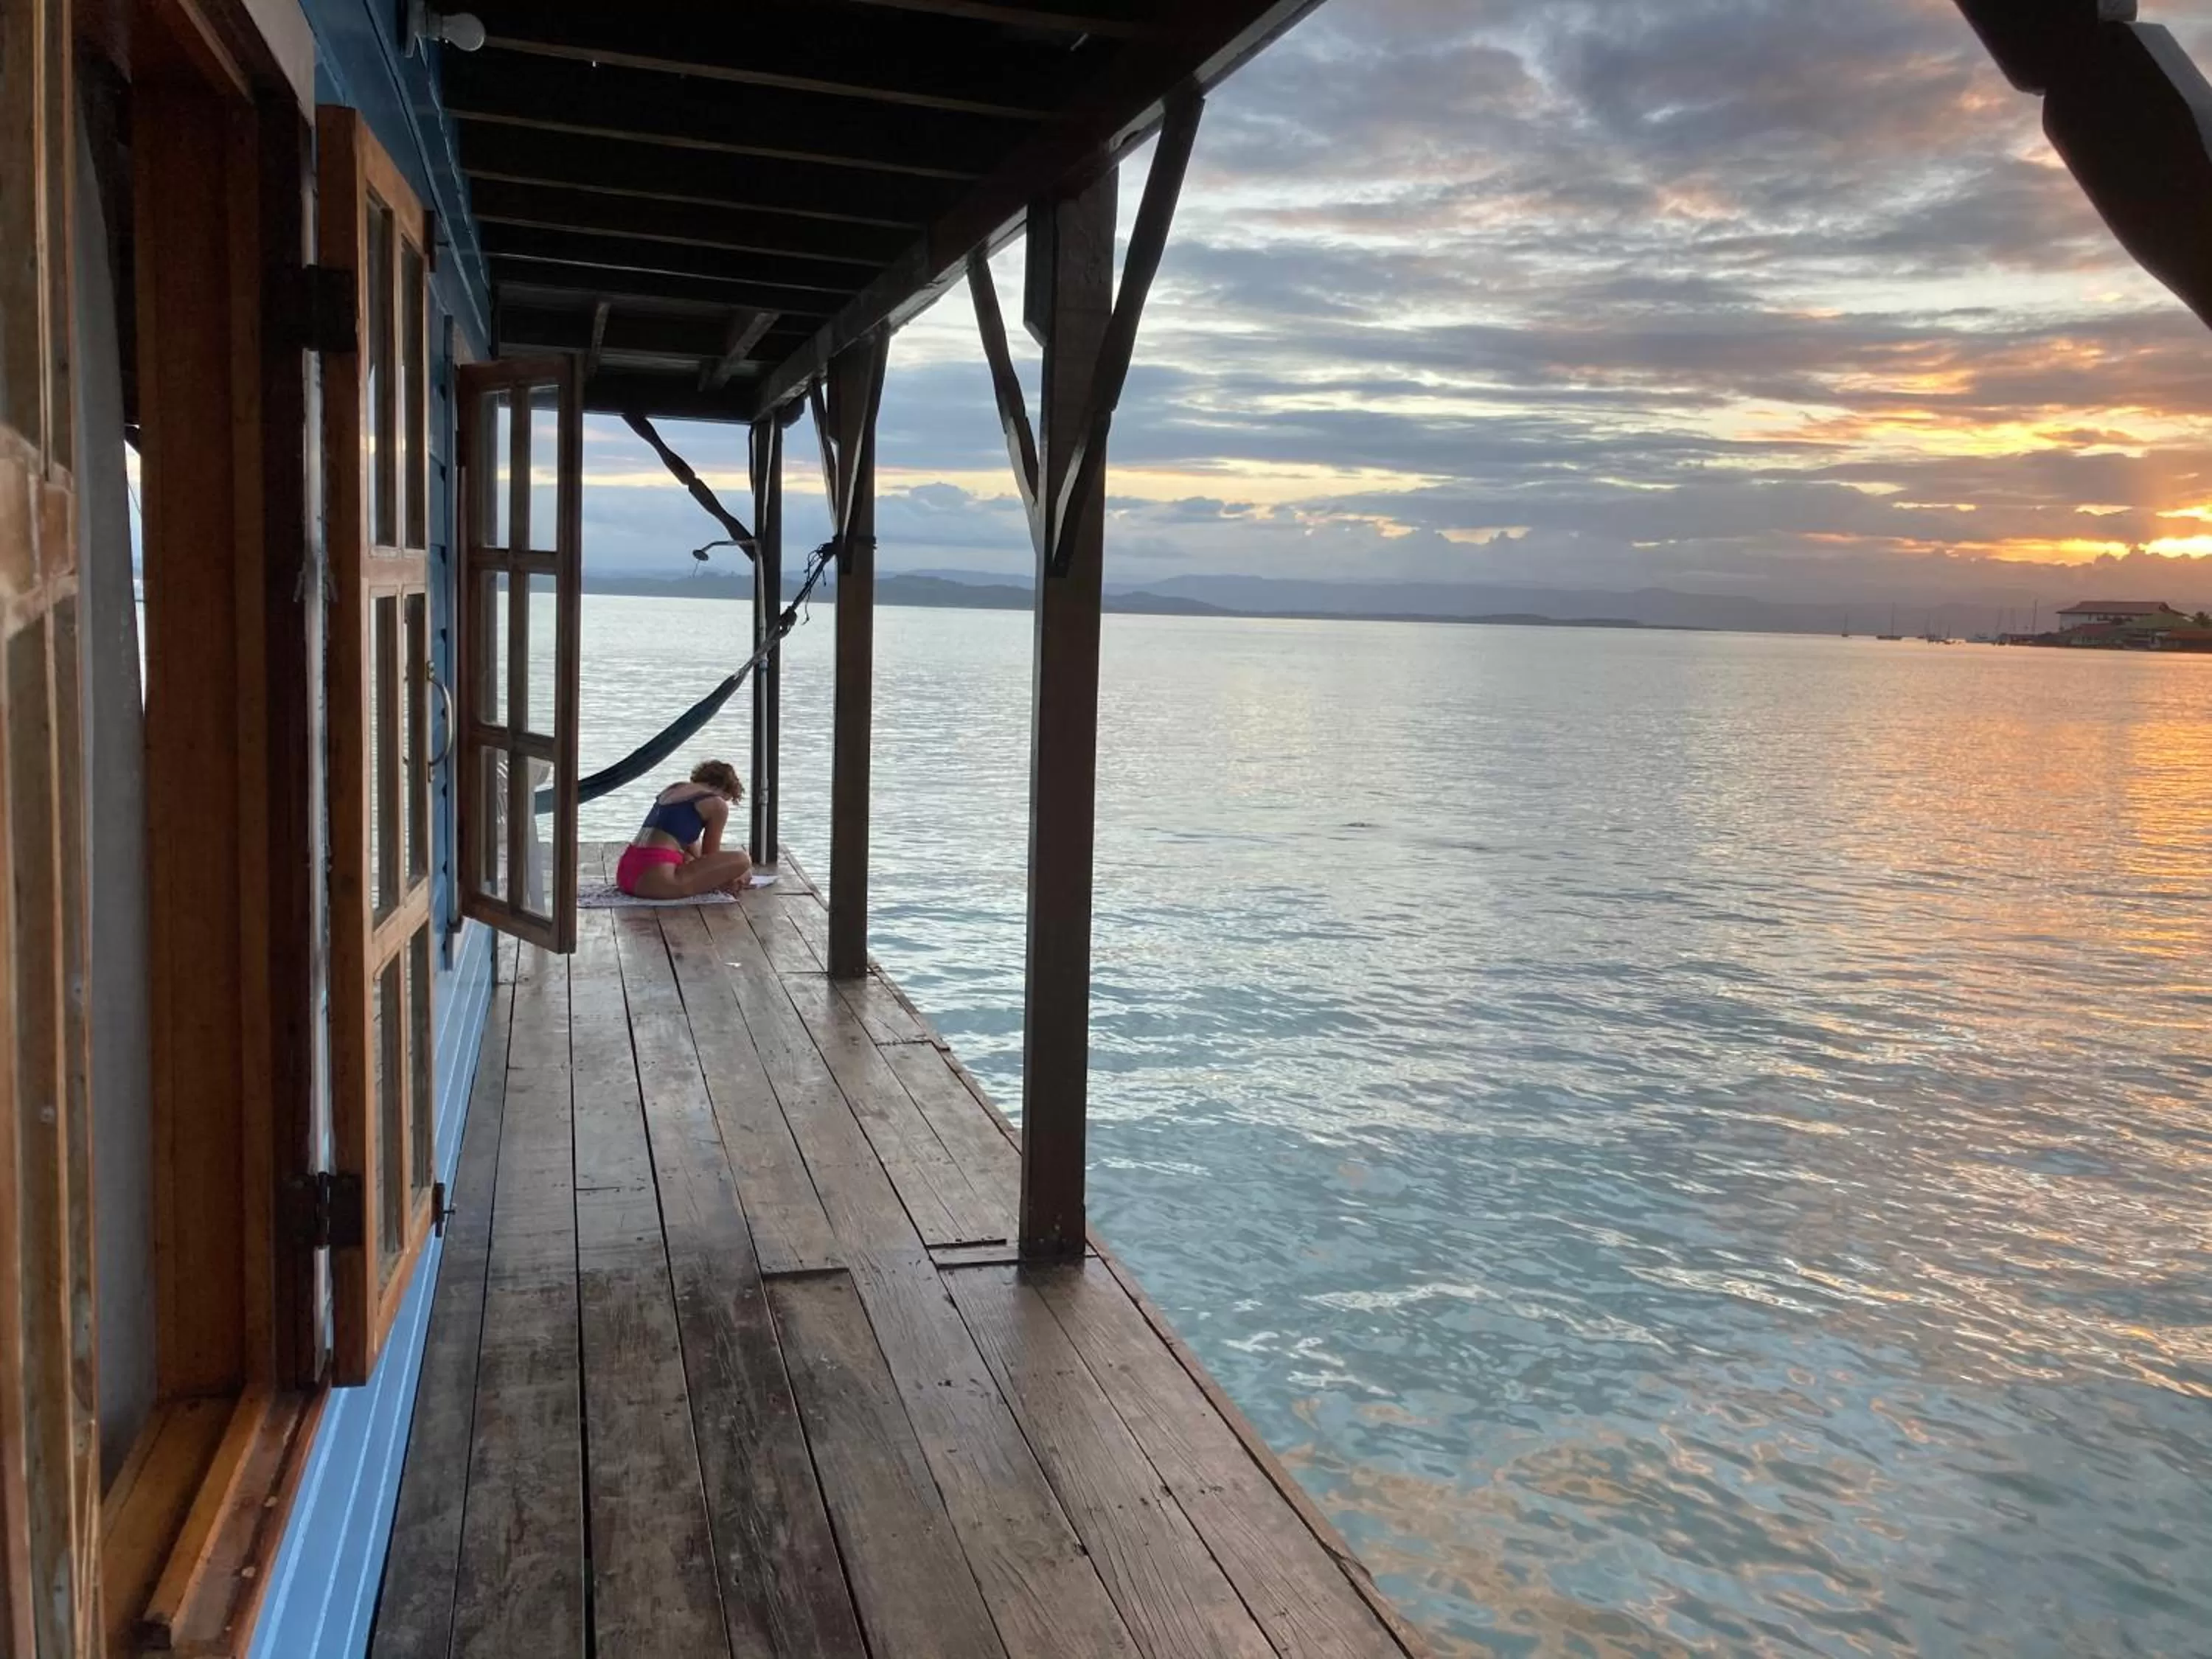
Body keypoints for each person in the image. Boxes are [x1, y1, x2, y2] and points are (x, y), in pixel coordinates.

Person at [614, 760, 754, 899]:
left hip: (626, 873)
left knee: (687, 857)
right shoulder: (717, 803)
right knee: (742, 860)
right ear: (725, 789)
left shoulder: (673, 789)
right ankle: (732, 884)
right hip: (656, 877)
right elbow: (711, 856)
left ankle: (731, 883)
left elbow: (695, 852)